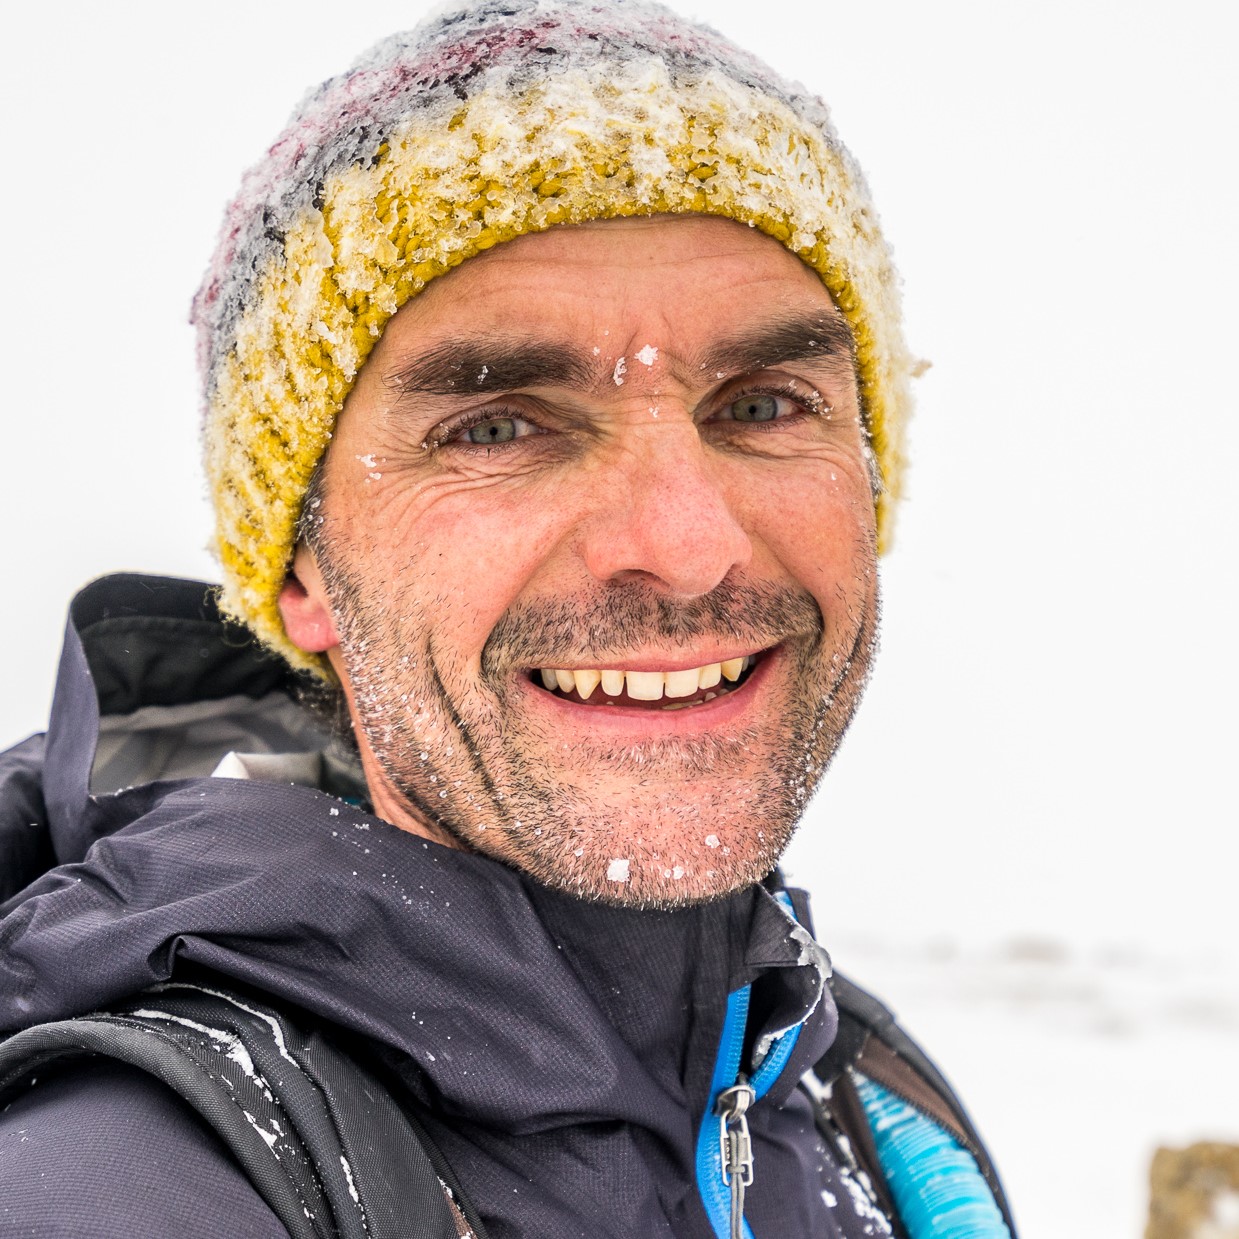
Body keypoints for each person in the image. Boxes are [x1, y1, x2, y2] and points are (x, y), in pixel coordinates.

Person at [0, 2, 1016, 1236]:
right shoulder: (121, 1191)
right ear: (300, 573)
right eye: (497, 427)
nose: (684, 545)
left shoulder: (869, 1115)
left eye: (762, 407)